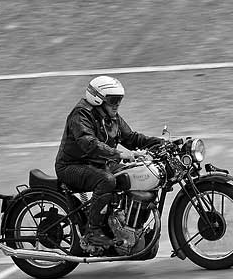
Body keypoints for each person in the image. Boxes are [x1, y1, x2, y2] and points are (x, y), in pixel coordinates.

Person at [55, 75, 164, 248]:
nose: (117, 104)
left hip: (99, 164)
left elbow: (132, 138)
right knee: (106, 180)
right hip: (72, 166)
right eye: (113, 100)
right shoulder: (81, 114)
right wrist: (119, 154)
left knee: (133, 172)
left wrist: (161, 143)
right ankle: (93, 231)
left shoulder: (111, 116)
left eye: (119, 100)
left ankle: (122, 223)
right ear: (98, 98)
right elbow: (88, 143)